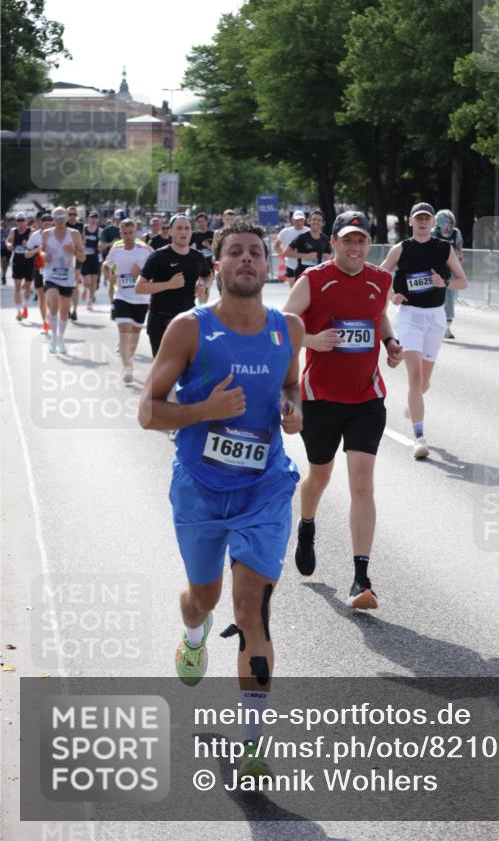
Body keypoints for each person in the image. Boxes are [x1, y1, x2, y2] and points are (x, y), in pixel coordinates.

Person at [138, 218, 303, 782]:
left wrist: (293, 409)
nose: (247, 259)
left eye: (256, 252)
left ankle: (253, 742)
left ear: (269, 265)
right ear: (218, 265)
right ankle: (193, 634)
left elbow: (291, 384)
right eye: (235, 252)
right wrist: (205, 411)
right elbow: (148, 411)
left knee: (251, 609)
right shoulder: (189, 328)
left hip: (265, 488)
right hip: (200, 488)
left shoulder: (288, 328)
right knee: (204, 598)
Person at [283, 210, 403, 609]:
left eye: (361, 240)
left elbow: (378, 315)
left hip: (366, 398)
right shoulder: (313, 280)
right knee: (319, 476)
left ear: (369, 244)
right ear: (333, 242)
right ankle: (307, 525)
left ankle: (361, 578)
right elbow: (281, 325)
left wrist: (389, 342)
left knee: (362, 482)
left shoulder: (380, 280)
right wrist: (311, 340)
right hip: (320, 399)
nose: (355, 247)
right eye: (347, 240)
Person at [381, 203, 467, 459]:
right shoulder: (401, 249)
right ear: (410, 221)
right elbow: (379, 276)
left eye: (426, 218)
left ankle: (413, 401)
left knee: (424, 383)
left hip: (435, 318)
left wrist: (445, 282)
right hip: (410, 317)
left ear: (433, 223)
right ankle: (419, 437)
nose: (422, 222)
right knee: (415, 378)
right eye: (417, 218)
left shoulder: (444, 248)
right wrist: (392, 294)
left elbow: (463, 281)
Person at [135, 214, 210, 357]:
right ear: (170, 231)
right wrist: (169, 284)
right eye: (179, 228)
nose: (183, 232)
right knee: (163, 367)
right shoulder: (159, 256)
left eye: (187, 228)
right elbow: (139, 287)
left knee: (187, 366)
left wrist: (203, 286)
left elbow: (208, 275)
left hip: (188, 319)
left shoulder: (197, 257)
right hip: (161, 320)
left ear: (191, 232)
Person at [103, 219, 152, 382]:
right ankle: (127, 367)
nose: (128, 236)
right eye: (125, 233)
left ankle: (129, 360)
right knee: (124, 330)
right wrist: (108, 275)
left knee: (135, 332)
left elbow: (157, 271)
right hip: (122, 296)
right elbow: (106, 265)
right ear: (120, 233)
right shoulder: (116, 250)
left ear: (135, 232)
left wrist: (140, 274)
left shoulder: (145, 250)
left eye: (131, 233)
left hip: (141, 298)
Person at [40, 206, 85, 354]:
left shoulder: (74, 234)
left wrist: (74, 251)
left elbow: (83, 257)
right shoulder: (47, 233)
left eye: (62, 217)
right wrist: (44, 256)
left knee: (64, 312)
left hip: (67, 277)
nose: (59, 220)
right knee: (54, 305)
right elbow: (41, 250)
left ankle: (60, 339)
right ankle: (53, 338)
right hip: (50, 275)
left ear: (66, 218)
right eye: (56, 217)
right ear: (53, 219)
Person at [434, 209, 464, 339]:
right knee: (434, 296)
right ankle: (435, 325)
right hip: (435, 270)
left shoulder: (456, 233)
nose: (448, 225)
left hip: (450, 271)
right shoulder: (434, 233)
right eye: (446, 222)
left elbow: (459, 249)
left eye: (450, 223)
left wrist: (459, 265)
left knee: (449, 298)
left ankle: (446, 326)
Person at [25, 211, 53, 334]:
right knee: (42, 296)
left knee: (51, 296)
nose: (48, 227)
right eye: (46, 224)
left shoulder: (56, 235)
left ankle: (51, 319)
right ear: (40, 224)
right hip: (39, 269)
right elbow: (27, 254)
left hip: (53, 270)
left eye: (50, 225)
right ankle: (45, 322)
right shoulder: (35, 236)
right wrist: (38, 249)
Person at [284, 209, 332, 279]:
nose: (316, 222)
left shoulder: (325, 239)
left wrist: (326, 257)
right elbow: (286, 252)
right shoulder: (301, 237)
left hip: (318, 276)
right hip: (302, 276)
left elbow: (329, 257)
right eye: (314, 219)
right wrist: (306, 255)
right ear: (309, 221)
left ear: (323, 223)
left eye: (319, 220)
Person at [7, 213, 35, 320]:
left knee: (27, 286)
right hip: (17, 261)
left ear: (26, 221)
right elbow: (8, 240)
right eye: (18, 220)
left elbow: (34, 246)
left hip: (28, 261)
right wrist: (9, 245)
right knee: (17, 287)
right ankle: (18, 312)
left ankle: (25, 306)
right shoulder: (13, 231)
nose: (20, 222)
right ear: (16, 221)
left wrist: (27, 245)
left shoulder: (30, 231)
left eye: (22, 220)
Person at [100, 210, 125, 317]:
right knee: (113, 281)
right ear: (115, 219)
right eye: (119, 219)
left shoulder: (128, 229)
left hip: (126, 259)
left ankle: (123, 303)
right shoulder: (108, 230)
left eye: (123, 219)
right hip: (112, 260)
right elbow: (100, 246)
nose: (121, 222)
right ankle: (113, 306)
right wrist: (111, 244)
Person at [275, 210, 306, 288]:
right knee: (293, 289)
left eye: (301, 220)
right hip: (290, 265)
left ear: (304, 220)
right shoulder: (285, 232)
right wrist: (285, 253)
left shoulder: (308, 231)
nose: (299, 222)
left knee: (304, 289)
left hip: (305, 265)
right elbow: (276, 246)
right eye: (296, 220)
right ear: (292, 220)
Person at [65, 205, 84, 321]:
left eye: (74, 214)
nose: (72, 216)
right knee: (66, 284)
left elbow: (83, 241)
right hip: (64, 258)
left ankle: (75, 310)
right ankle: (67, 308)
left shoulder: (81, 226)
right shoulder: (63, 225)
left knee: (75, 284)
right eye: (70, 214)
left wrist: (77, 248)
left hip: (76, 255)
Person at [80, 212, 102, 311]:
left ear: (97, 219)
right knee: (87, 281)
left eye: (95, 218)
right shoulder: (83, 229)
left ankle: (90, 301)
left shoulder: (100, 231)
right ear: (88, 218)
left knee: (94, 281)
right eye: (91, 217)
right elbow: (79, 241)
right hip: (85, 258)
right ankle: (85, 288)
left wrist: (101, 245)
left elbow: (102, 244)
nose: (93, 219)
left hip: (95, 258)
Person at [191, 212, 215, 300]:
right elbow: (187, 247)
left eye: (203, 221)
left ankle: (204, 303)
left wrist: (209, 246)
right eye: (199, 221)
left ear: (207, 222)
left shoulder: (213, 234)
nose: (201, 223)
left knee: (206, 288)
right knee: (200, 286)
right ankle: (201, 303)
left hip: (210, 264)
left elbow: (218, 249)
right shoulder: (194, 235)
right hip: (199, 263)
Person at [1, 218, 10, 285]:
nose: (4, 224)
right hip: (1, 248)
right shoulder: (0, 231)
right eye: (3, 223)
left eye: (5, 222)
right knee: (2, 261)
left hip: (8, 249)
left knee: (6, 263)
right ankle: (3, 273)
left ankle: (4, 274)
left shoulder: (10, 231)